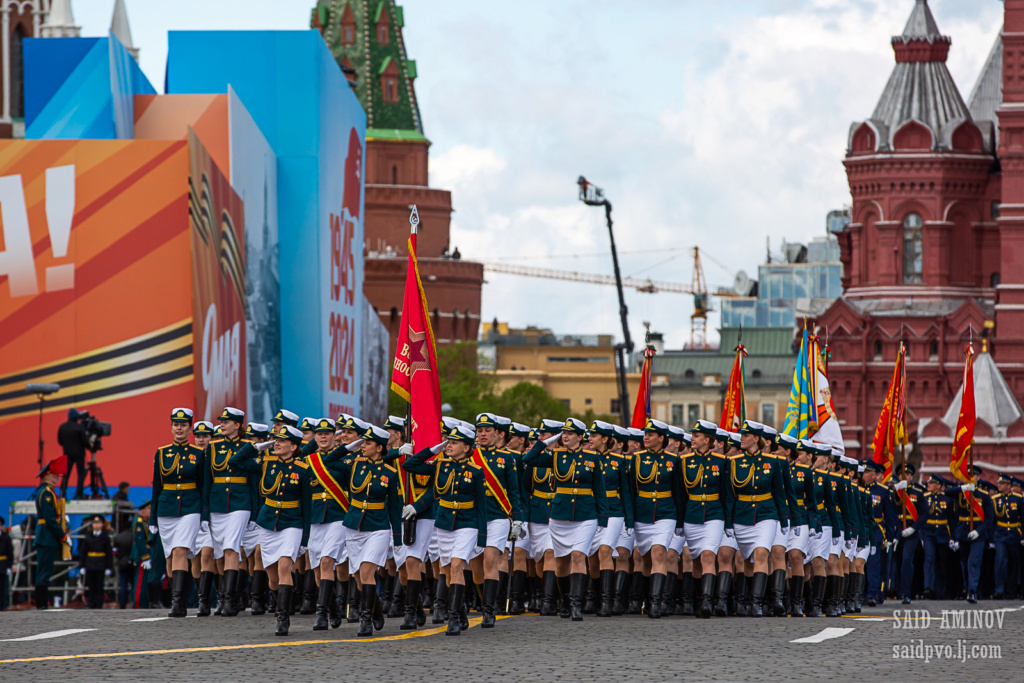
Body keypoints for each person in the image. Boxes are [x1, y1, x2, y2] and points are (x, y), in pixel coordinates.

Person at [319, 424, 403, 637]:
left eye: (367, 443)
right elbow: (327, 461)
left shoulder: (390, 473)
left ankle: (365, 619)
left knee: (367, 571)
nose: (363, 446)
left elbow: (394, 508)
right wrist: (347, 448)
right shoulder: (353, 465)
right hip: (355, 526)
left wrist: (398, 537)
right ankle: (375, 611)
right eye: (363, 442)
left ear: (380, 448)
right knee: (358, 575)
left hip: (378, 528)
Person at [230, 424, 312, 636]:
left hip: (292, 522)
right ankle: (283, 601)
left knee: (285, 565)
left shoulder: (303, 469)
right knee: (272, 576)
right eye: (276, 440)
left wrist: (305, 538)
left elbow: (307, 505)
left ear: (294, 446)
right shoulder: (265, 463)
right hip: (267, 523)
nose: (277, 443)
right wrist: (255, 447)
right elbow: (234, 462)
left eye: (282, 441)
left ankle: (282, 618)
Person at [727, 420, 789, 617]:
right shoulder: (734, 462)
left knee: (762, 553)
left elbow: (779, 493)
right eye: (741, 435)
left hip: (766, 513)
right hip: (742, 513)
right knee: (744, 559)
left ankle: (757, 602)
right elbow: (729, 495)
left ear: (756, 438)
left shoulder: (772, 463)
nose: (741, 439)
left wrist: (786, 519)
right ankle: (743, 600)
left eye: (745, 436)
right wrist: (728, 521)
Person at [151, 408, 206, 617]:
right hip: (166, 508)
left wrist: (205, 515)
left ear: (190, 428)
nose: (179, 428)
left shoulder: (198, 453)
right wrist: (153, 516)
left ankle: (176, 602)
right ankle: (180, 600)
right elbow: (157, 486)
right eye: (176, 424)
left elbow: (203, 486)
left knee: (180, 551)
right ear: (171, 427)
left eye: (183, 425)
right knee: (170, 557)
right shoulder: (162, 452)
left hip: (191, 506)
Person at [630, 418, 685, 619]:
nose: (646, 437)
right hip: (642, 513)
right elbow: (630, 490)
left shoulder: (674, 460)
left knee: (659, 553)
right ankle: (645, 598)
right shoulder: (636, 458)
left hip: (665, 513)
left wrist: (679, 522)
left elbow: (678, 493)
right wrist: (630, 518)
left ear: (661, 438)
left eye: (651, 435)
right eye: (645, 434)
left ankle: (656, 602)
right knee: (644, 559)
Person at [201, 407, 250, 617]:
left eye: (227, 421)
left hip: (240, 501)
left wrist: (254, 512)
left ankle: (230, 599)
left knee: (231, 547)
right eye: (221, 421)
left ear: (237, 425)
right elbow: (206, 480)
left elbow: (254, 481)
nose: (222, 424)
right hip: (217, 502)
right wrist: (204, 512)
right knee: (219, 552)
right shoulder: (212, 447)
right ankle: (221, 596)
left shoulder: (248, 447)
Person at [304, 418, 350, 630]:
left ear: (335, 436)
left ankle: (321, 613)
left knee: (326, 562)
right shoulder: (308, 459)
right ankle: (332, 608)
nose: (323, 437)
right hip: (314, 517)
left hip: (337, 516)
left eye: (327, 433)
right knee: (316, 569)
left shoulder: (346, 459)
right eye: (319, 433)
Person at [944, 466, 995, 603]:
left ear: (978, 478)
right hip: (963, 533)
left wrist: (979, 531)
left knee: (974, 561)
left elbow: (990, 518)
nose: (972, 478)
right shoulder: (960, 492)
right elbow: (946, 492)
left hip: (978, 533)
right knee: (965, 562)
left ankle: (972, 590)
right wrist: (963, 489)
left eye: (974, 475)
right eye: (969, 475)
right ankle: (968, 587)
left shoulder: (983, 496)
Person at [33, 455, 69, 609]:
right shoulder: (46, 493)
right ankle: (41, 604)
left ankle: (42, 604)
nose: (57, 477)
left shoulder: (48, 492)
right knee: (43, 572)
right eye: (54, 474)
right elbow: (49, 519)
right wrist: (62, 535)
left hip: (48, 536)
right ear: (47, 475)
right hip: (46, 536)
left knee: (45, 570)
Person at [892, 462, 927, 604]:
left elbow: (924, 514)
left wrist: (914, 528)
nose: (904, 476)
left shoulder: (918, 493)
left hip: (911, 533)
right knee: (895, 562)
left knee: (907, 561)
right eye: (901, 474)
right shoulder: (893, 492)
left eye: (907, 474)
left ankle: (906, 592)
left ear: (912, 476)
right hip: (896, 532)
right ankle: (891, 590)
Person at [993, 473, 1022, 599]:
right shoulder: (995, 499)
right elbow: (992, 520)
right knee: (1001, 561)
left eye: (1002, 483)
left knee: (1013, 563)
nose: (999, 485)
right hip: (1000, 534)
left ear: (1008, 485)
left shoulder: (1018, 499)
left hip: (1014, 534)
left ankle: (1011, 590)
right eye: (999, 483)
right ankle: (999, 589)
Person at [78, 515, 113, 609]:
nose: (96, 525)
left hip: (100, 563)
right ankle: (91, 603)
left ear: (101, 524)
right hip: (90, 563)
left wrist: (109, 567)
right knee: (90, 585)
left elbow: (109, 553)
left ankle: (98, 603)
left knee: (99, 585)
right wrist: (82, 566)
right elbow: (83, 552)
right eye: (94, 523)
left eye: (98, 523)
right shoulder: (88, 536)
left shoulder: (105, 537)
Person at [129, 501, 154, 608]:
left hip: (145, 555)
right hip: (141, 556)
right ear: (143, 510)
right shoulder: (139, 522)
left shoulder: (145, 521)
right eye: (149, 509)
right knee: (140, 583)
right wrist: (145, 557)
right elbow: (139, 541)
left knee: (144, 582)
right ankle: (138, 605)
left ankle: (143, 604)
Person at [0, 517, 13, 610]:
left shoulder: (6, 537)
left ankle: (2, 607)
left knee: (2, 588)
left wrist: (9, 566)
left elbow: (10, 552)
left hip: (2, 565)